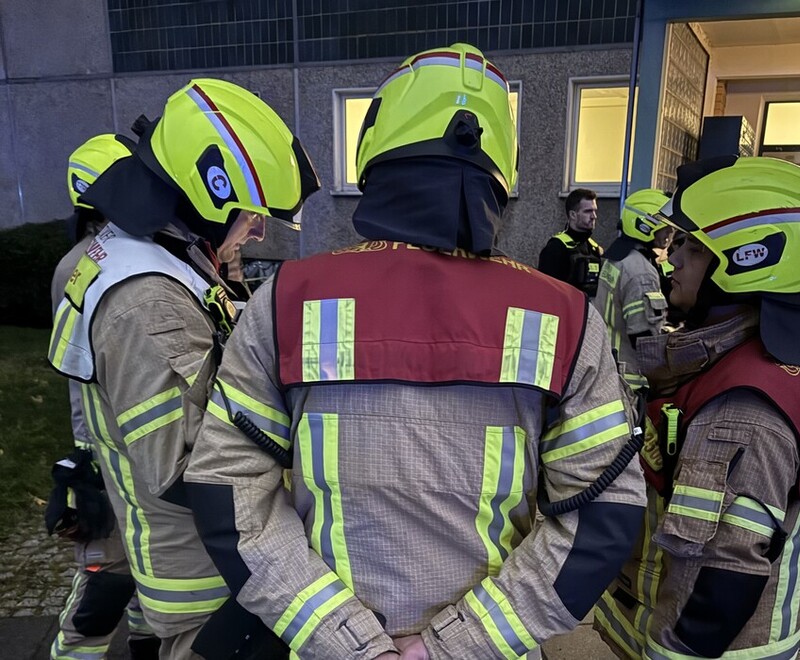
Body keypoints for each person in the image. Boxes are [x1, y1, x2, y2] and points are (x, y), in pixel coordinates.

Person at [184, 43, 646, 660]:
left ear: (375, 150)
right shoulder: (565, 318)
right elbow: (603, 518)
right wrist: (452, 646)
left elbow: (227, 489)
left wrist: (349, 641)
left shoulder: (287, 301)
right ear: (501, 170)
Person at [48, 78, 319, 658]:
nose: (258, 229)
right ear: (206, 195)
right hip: (205, 573)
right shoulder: (148, 303)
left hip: (189, 552)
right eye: (252, 214)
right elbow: (188, 468)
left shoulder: (137, 255)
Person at [594, 155, 800, 659]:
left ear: (747, 259)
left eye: (692, 247)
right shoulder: (774, 362)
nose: (673, 260)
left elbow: (715, 583)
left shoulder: (739, 410)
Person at [47, 134, 160, 660]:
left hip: (122, 447)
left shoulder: (108, 252)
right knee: (106, 584)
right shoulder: (90, 263)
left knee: (142, 578)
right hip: (106, 451)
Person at [593, 189, 672, 390]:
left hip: (607, 365)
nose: (670, 232)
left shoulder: (617, 258)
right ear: (645, 225)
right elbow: (645, 339)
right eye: (665, 226)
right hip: (631, 379)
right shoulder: (641, 273)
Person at [538, 188, 604, 296]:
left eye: (594, 211)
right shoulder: (556, 248)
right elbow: (545, 291)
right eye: (588, 211)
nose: (594, 216)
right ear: (573, 215)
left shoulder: (594, 249)